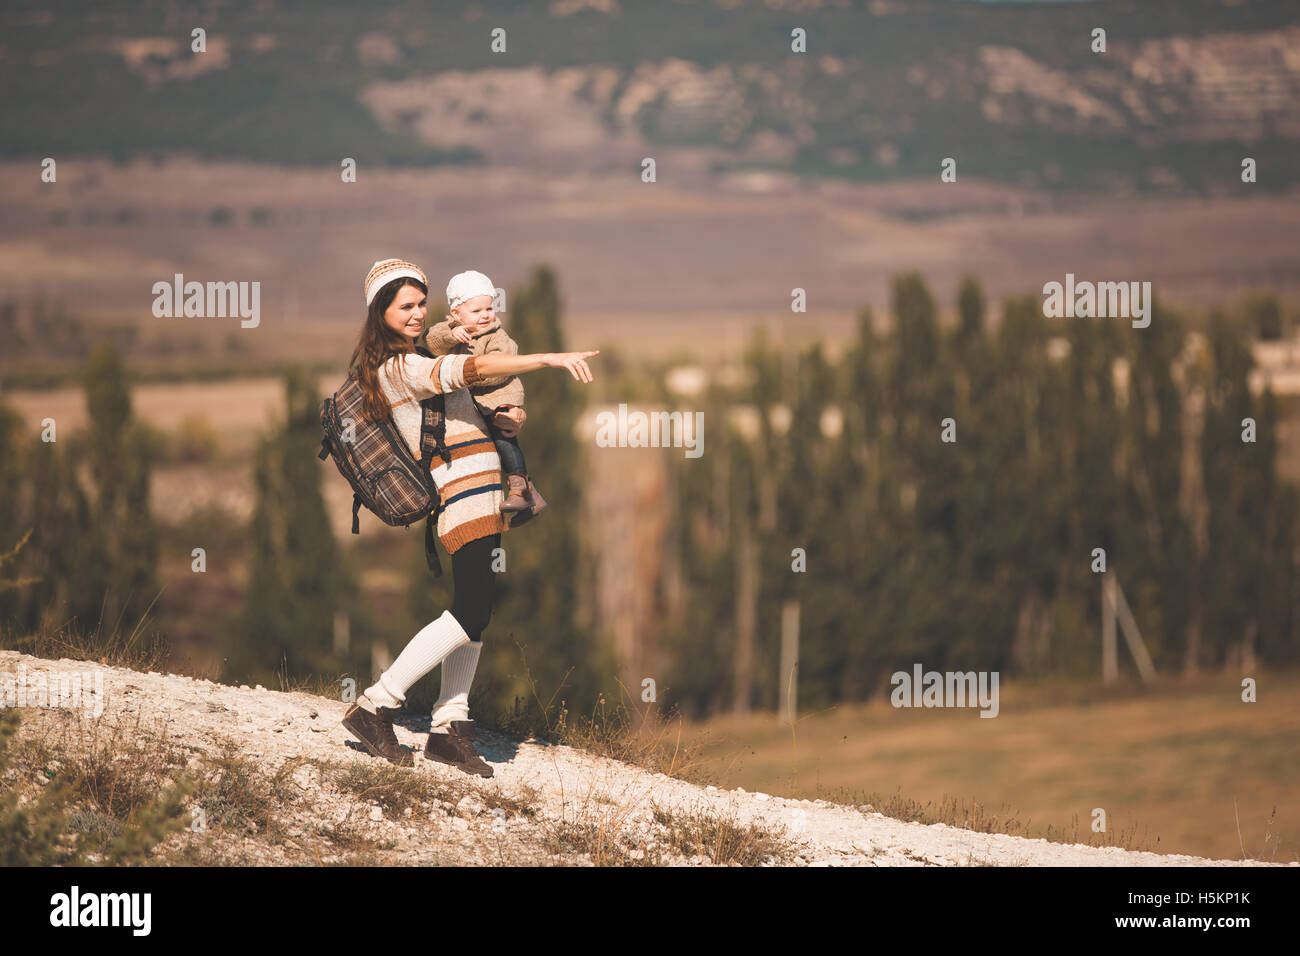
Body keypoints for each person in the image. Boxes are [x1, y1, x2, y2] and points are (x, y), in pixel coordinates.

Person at [340, 258, 598, 775]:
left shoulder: (423, 351)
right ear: (380, 313)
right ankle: (376, 704)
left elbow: (475, 401)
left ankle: (450, 726)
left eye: (420, 304)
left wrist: (513, 416)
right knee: (471, 610)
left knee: (477, 609)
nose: (416, 315)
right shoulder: (398, 368)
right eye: (404, 306)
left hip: (486, 490)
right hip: (459, 493)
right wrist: (547, 358)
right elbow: (472, 369)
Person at [425, 269, 545, 522]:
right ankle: (531, 500)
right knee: (489, 448)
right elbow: (432, 342)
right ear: (456, 313)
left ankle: (519, 489)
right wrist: (451, 334)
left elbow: (501, 368)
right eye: (477, 311)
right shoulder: (451, 331)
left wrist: (469, 374)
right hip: (474, 404)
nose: (485, 316)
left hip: (497, 398)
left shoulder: (497, 336)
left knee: (504, 440)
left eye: (489, 309)